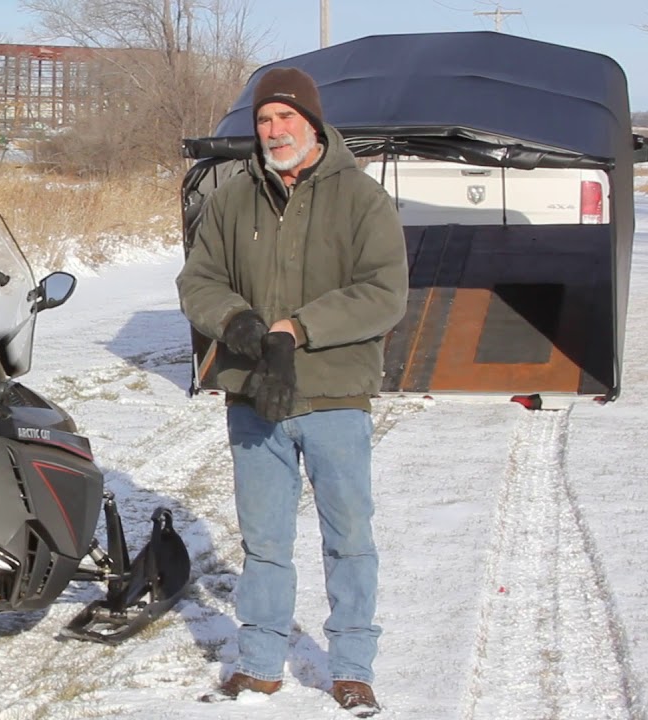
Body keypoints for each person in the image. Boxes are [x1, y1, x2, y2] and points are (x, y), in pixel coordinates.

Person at [176, 66, 408, 717]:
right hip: (254, 397)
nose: (275, 130)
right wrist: (236, 322)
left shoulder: (362, 198)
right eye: (264, 119)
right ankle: (259, 665)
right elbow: (198, 281)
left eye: (286, 117)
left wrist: (297, 330)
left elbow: (384, 293)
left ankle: (352, 667)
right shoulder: (231, 200)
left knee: (349, 537)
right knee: (265, 542)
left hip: (334, 397)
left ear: (312, 121)